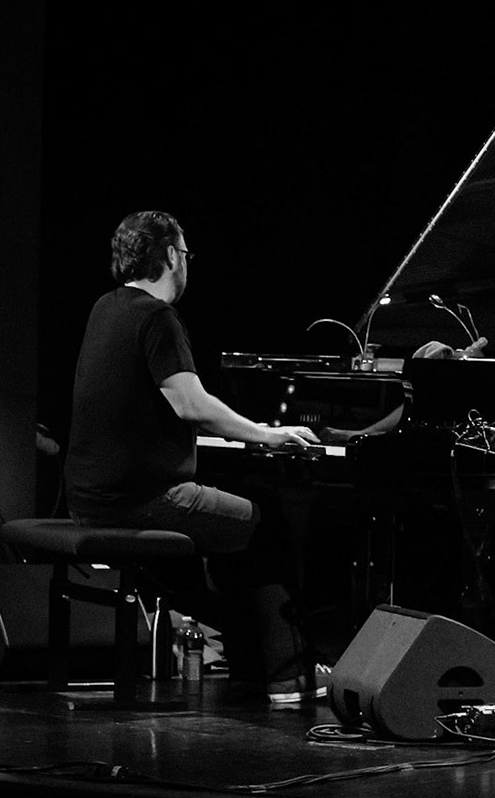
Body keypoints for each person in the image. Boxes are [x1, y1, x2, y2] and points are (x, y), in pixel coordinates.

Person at [63, 210, 326, 702]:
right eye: (185, 253)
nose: (187, 263)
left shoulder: (106, 307)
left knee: (238, 523)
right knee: (265, 523)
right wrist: (264, 434)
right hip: (139, 501)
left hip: (88, 498)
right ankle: (290, 677)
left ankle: (250, 662)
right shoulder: (157, 316)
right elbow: (191, 404)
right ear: (169, 256)